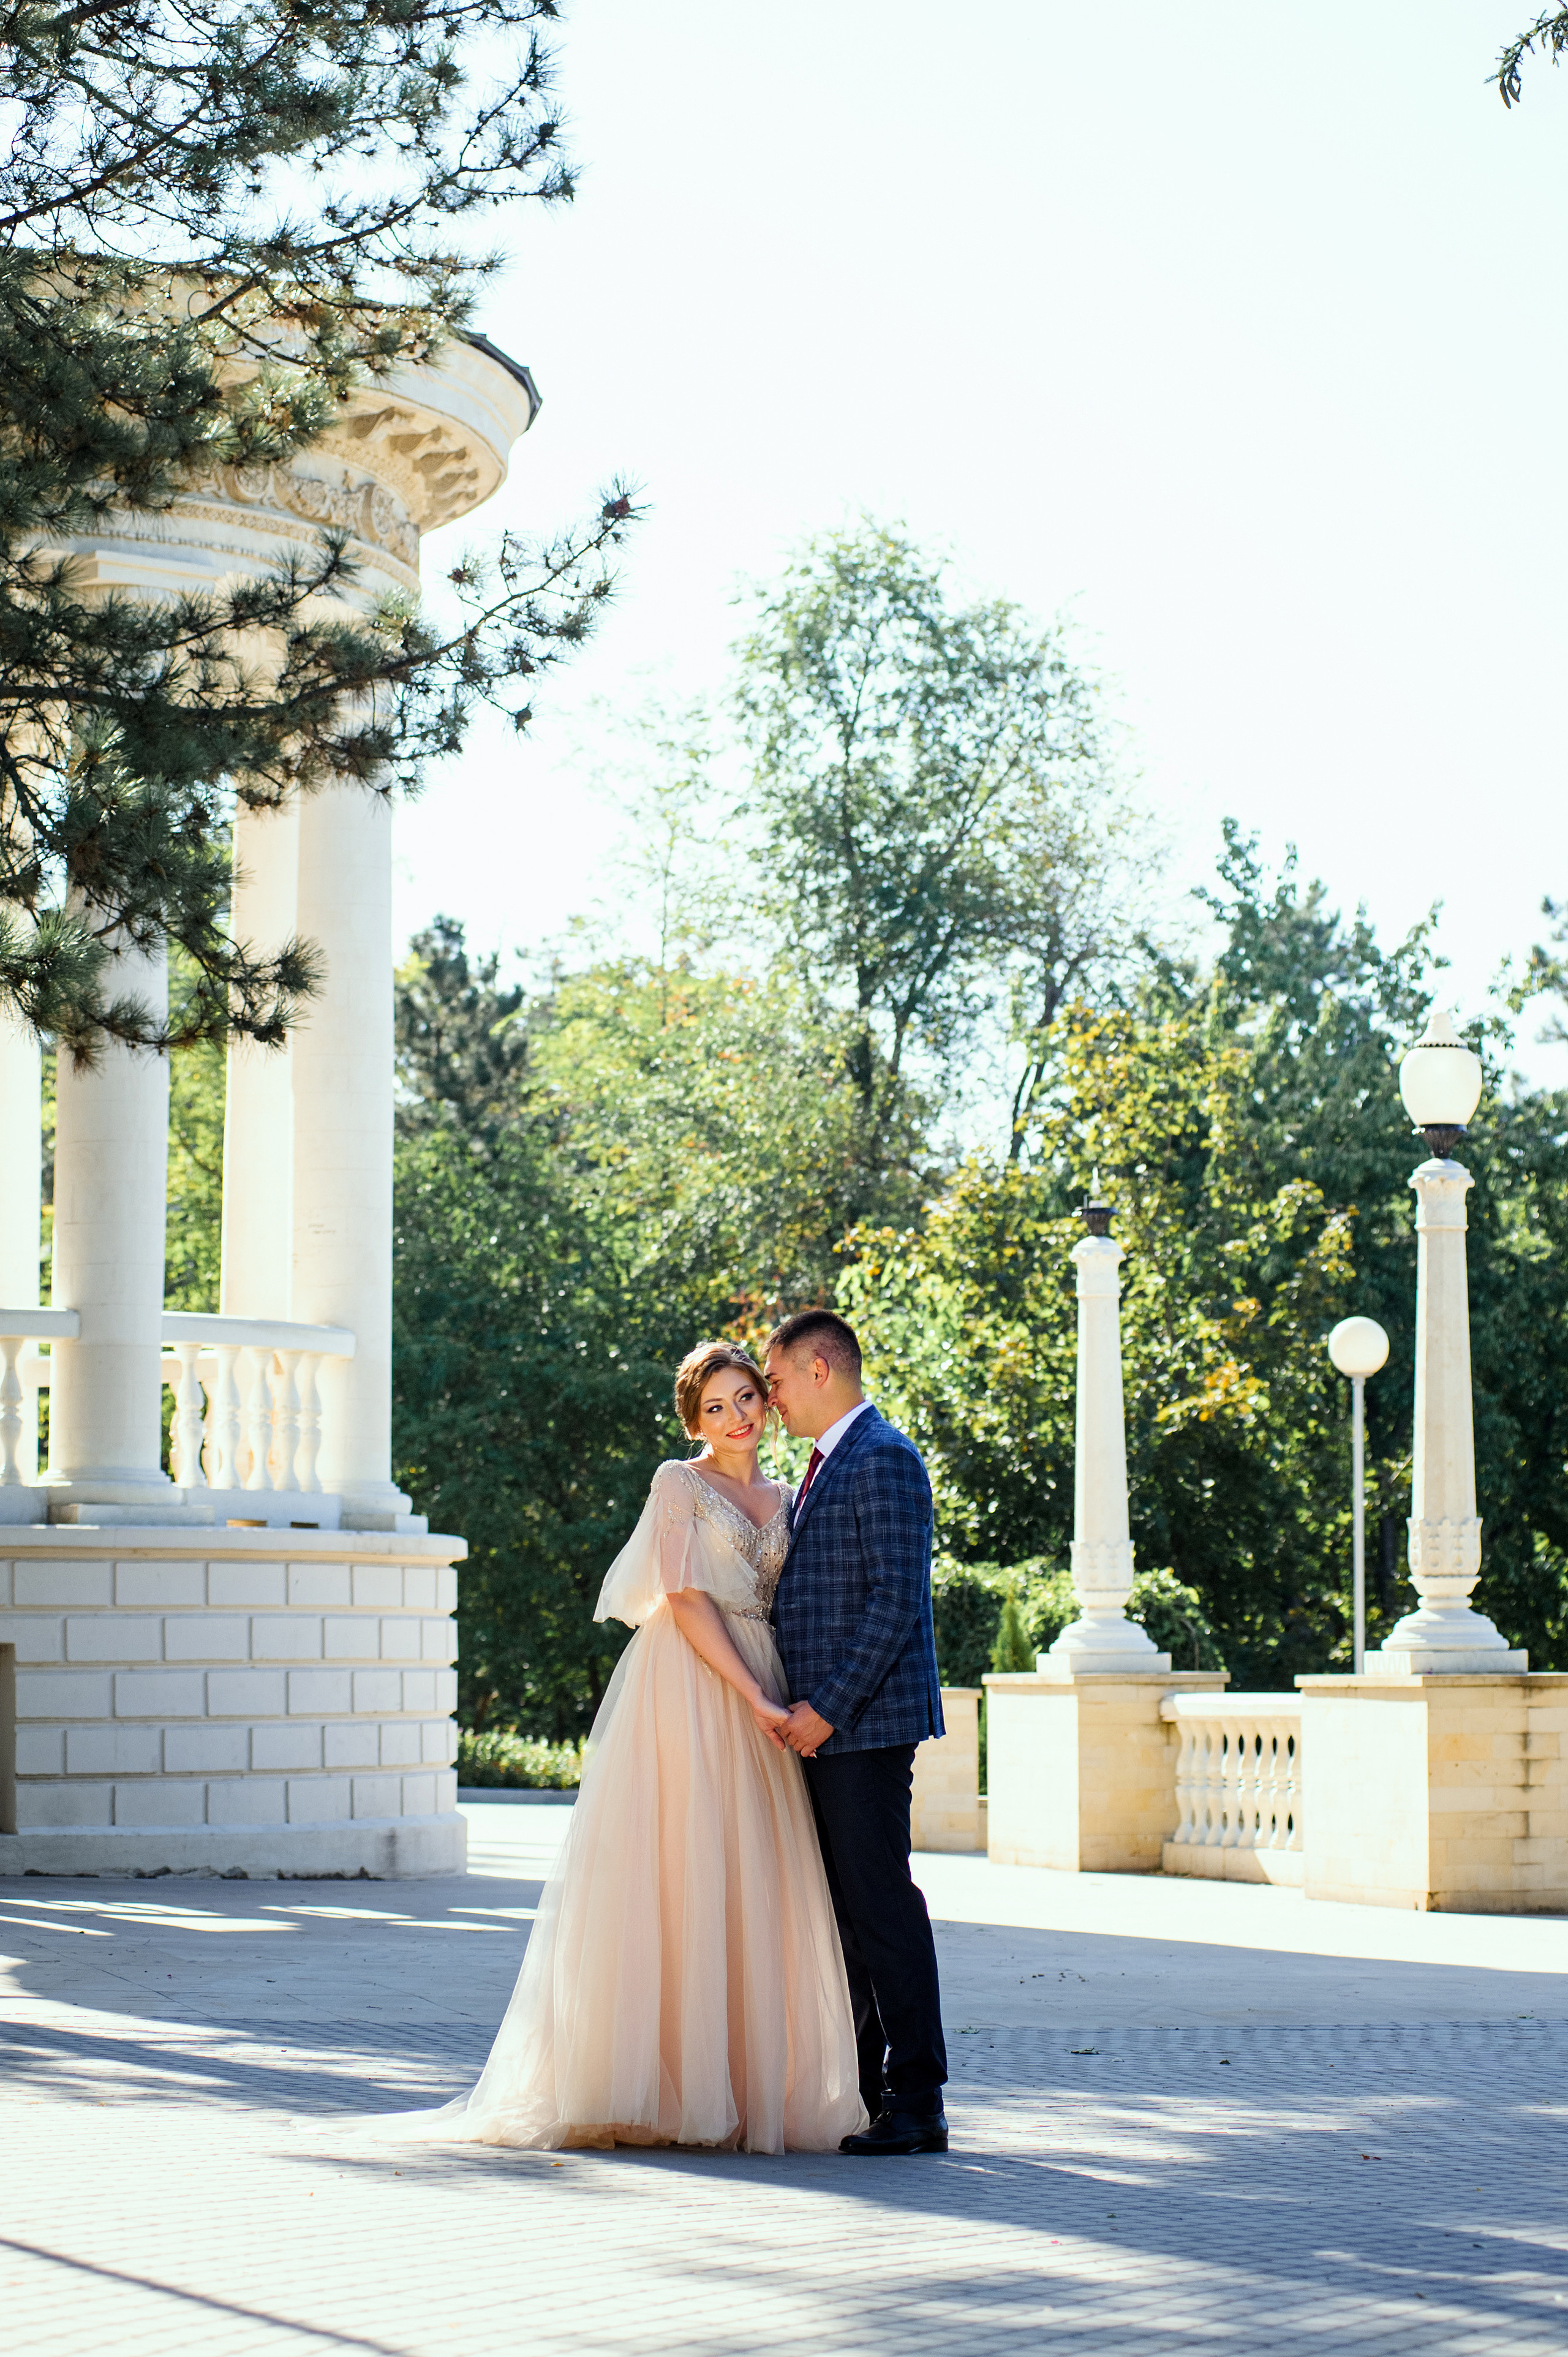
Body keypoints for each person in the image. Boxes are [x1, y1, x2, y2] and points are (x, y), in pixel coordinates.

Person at [358, 1342, 865, 2154]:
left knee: (754, 1876)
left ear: (766, 1404)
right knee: (679, 1868)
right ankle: (654, 2086)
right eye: (716, 1408)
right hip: (694, 1683)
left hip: (767, 1679)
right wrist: (754, 1694)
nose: (736, 1418)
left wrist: (789, 1693)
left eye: (745, 1399)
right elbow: (685, 1597)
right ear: (693, 1421)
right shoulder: (679, 1482)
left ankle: (738, 2086)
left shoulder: (787, 1490)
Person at [764, 1309, 950, 2157]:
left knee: (882, 1909)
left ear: (820, 1368)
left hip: (864, 1731)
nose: (770, 1400)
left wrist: (829, 1708)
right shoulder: (824, 1466)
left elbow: (894, 1603)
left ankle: (918, 2102)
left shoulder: (884, 1458)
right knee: (848, 1914)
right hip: (831, 1730)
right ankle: (874, 2094)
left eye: (775, 1380)